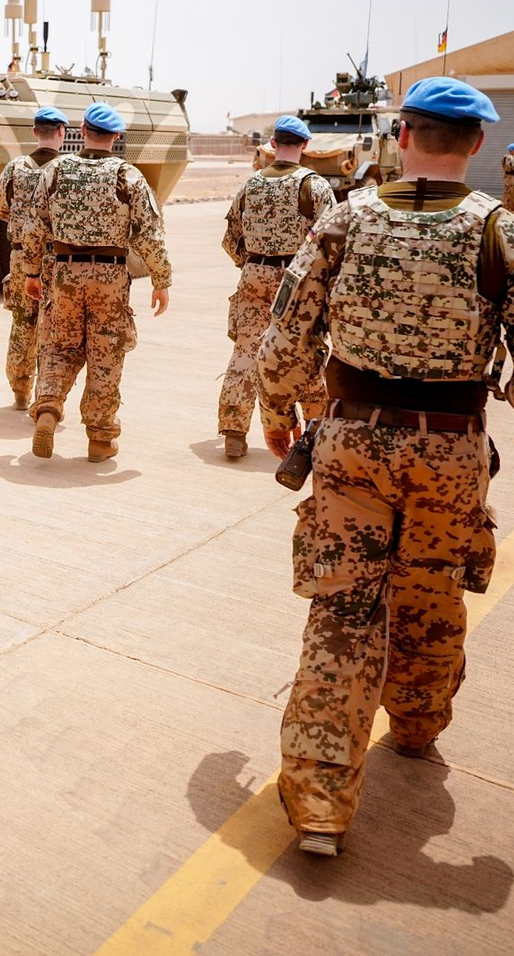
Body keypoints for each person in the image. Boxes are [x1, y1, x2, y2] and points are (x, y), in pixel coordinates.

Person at [257, 76, 509, 857]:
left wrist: (277, 409)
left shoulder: (345, 218)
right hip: (449, 449)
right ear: (475, 143)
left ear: (403, 135)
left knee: (342, 612)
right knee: (432, 588)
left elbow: (287, 337)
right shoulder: (497, 231)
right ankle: (417, 725)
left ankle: (320, 805)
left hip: (352, 443)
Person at [23, 102, 171, 461]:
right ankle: (100, 438)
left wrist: (31, 272)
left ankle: (48, 408)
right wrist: (161, 278)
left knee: (60, 346)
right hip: (110, 276)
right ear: (115, 137)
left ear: (83, 131)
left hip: (64, 272)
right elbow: (149, 234)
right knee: (106, 354)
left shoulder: (55, 171)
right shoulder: (128, 176)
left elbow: (34, 226)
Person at [217, 115, 334, 458]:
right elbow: (331, 242)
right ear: (305, 145)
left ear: (272, 144)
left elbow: (231, 238)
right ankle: (315, 427)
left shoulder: (250, 185)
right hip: (297, 283)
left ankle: (234, 431)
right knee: (304, 352)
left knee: (246, 350)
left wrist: (252, 264)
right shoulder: (315, 187)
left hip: (254, 274)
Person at [0, 105, 68, 411]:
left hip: (21, 257)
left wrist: (22, 222)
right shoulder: (67, 169)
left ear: (35, 132)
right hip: (58, 260)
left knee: (23, 322)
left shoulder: (16, 167)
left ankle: (20, 389)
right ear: (62, 132)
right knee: (55, 328)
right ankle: (47, 395)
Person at [503, 142, 514, 212]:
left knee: (508, 192)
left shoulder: (506, 157)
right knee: (510, 193)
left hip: (508, 177)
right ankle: (509, 208)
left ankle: (507, 207)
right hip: (511, 178)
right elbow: (512, 167)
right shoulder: (510, 158)